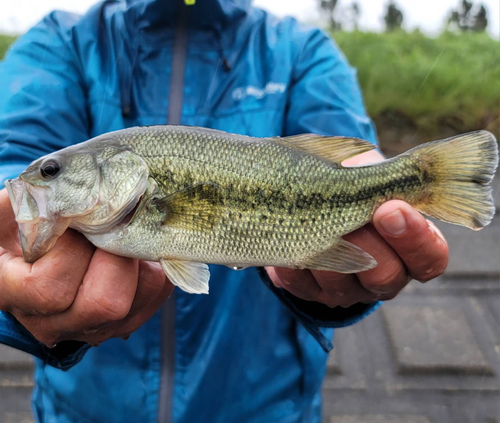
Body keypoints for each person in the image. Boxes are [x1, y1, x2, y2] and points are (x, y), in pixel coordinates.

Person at [0, 0, 449, 421]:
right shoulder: (61, 42)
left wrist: (344, 269)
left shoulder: (303, 52)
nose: (39, 181)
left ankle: (425, 178)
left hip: (267, 406)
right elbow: (11, 157)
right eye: (51, 170)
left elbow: (339, 142)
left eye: (52, 171)